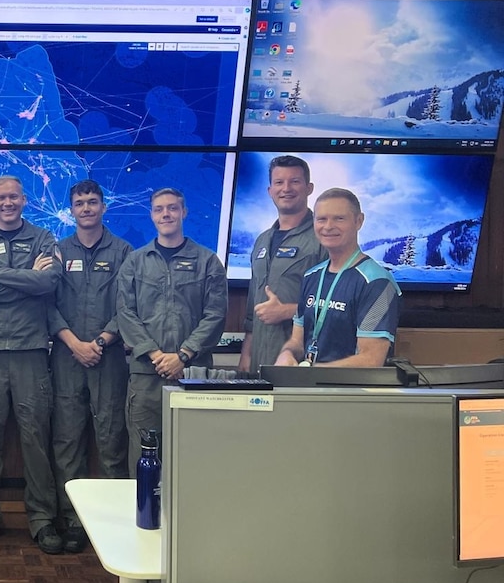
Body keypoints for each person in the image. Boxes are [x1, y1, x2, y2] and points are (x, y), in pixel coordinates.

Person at [0, 175, 64, 555]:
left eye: (13, 197)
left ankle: (41, 520)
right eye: (1, 197)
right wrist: (25, 278)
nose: (7, 203)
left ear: (24, 200)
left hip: (31, 353)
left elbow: (49, 282)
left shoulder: (43, 238)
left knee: (36, 439)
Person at [49, 180, 132, 553]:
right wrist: (74, 344)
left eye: (92, 201)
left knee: (111, 441)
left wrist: (98, 343)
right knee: (68, 441)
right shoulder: (56, 251)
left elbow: (127, 307)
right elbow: (46, 304)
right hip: (66, 357)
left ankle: (112, 523)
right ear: (71, 210)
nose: (86, 208)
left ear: (103, 206)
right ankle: (73, 519)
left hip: (108, 360)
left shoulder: (124, 252)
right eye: (79, 203)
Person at [117, 187, 227, 464]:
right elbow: (125, 312)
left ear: (183, 212)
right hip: (145, 375)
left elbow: (215, 314)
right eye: (159, 209)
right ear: (152, 216)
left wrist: (182, 356)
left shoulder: (208, 261)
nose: (166, 214)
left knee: (195, 454)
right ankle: (144, 510)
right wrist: (157, 356)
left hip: (193, 373)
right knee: (144, 456)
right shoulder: (135, 261)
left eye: (172, 208)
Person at [275, 188, 401, 367]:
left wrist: (311, 373)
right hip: (308, 388)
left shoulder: (378, 283)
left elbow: (371, 360)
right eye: (321, 219)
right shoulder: (312, 276)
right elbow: (297, 341)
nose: (328, 227)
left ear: (359, 221)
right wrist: (286, 354)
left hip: (350, 393)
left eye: (339, 218)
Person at [238, 156, 327, 376]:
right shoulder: (262, 241)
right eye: (279, 182)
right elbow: (253, 308)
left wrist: (288, 311)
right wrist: (246, 354)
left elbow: (339, 304)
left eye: (294, 181)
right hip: (259, 360)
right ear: (270, 190)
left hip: (302, 363)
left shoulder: (323, 238)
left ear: (309, 188)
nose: (286, 188)